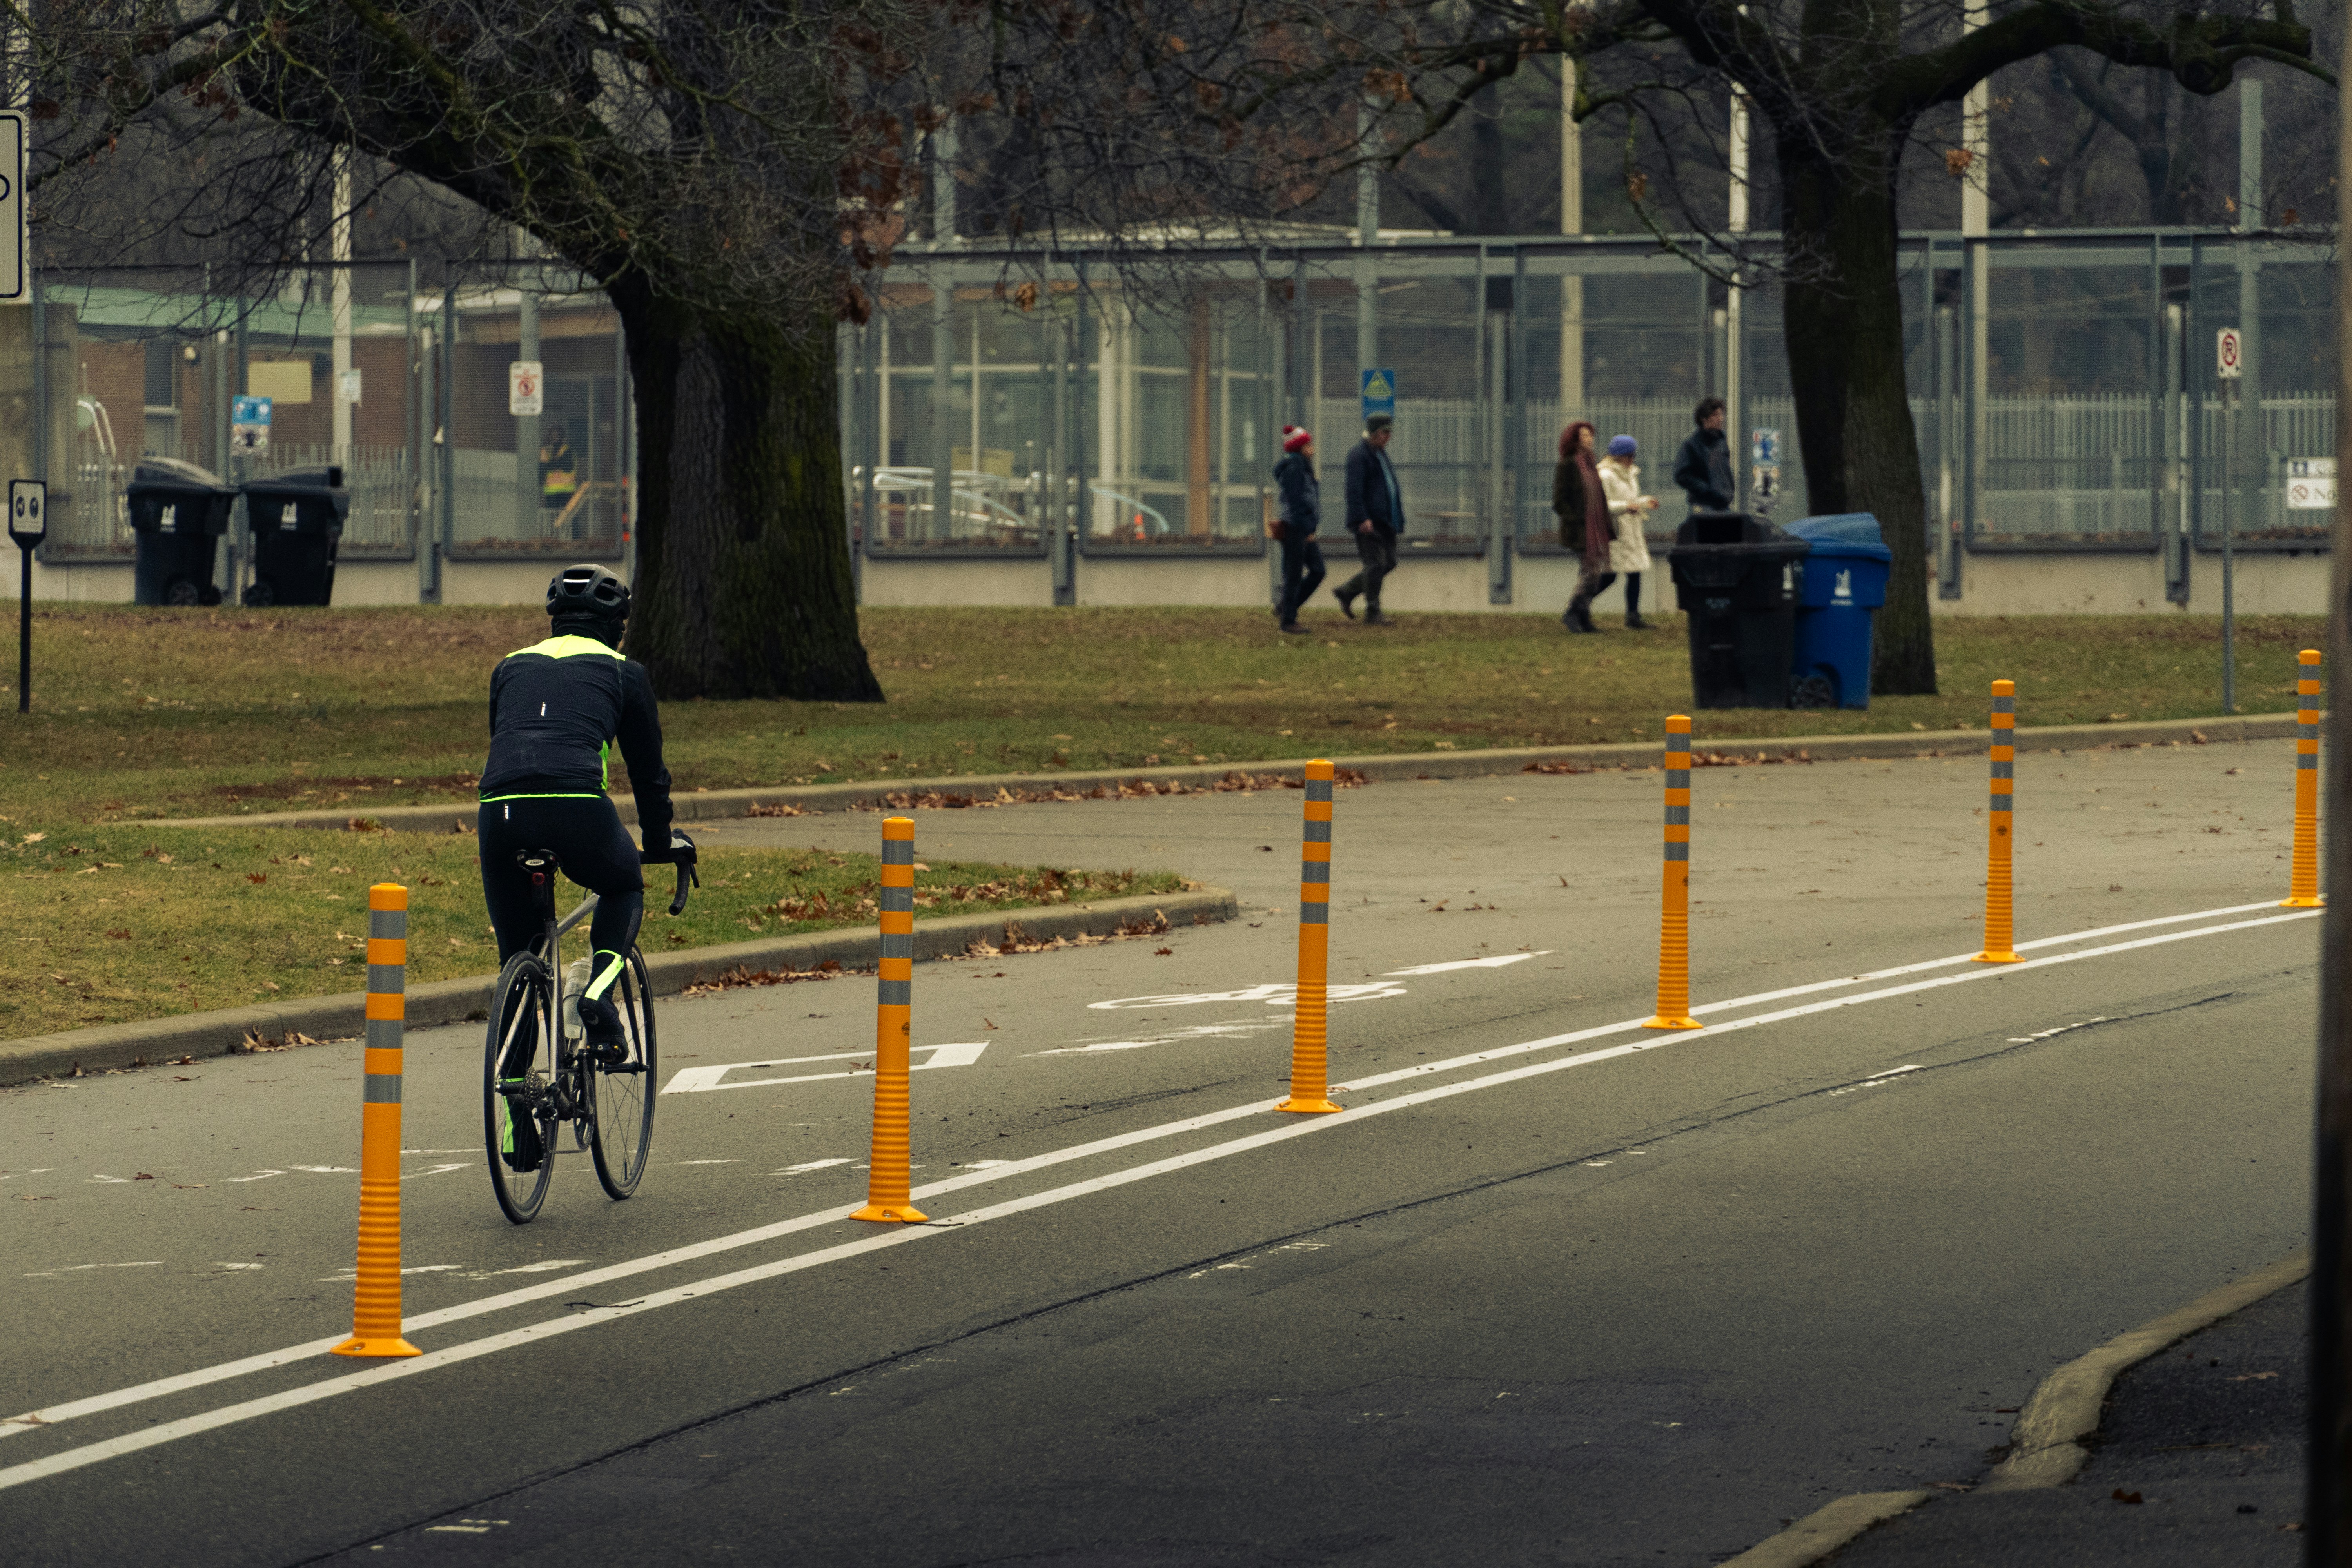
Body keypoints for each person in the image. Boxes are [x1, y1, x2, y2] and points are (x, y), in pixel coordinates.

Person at [477, 564, 674, 1171]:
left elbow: (509, 741)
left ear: (553, 619)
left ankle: (515, 1122)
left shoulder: (509, 666)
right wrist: (661, 841)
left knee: (520, 957)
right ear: (619, 626)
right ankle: (595, 992)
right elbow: (647, 773)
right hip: (577, 806)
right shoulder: (626, 673)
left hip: (499, 809)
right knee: (622, 886)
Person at [1334, 413, 1403, 625]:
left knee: (1389, 562)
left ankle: (1347, 591)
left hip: (1385, 520)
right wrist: (1362, 518)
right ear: (1374, 433)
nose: (1389, 436)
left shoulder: (1380, 454)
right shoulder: (1359, 456)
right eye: (1385, 432)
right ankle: (1373, 612)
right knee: (1374, 564)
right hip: (1368, 522)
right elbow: (1353, 491)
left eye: (1390, 432)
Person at [1554, 420, 1613, 635]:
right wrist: (1578, 520)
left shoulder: (1591, 464)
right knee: (1591, 574)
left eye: (1591, 435)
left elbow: (1600, 499)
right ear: (1575, 440)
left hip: (1597, 529)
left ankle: (1582, 616)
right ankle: (1573, 612)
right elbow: (1560, 501)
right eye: (1585, 436)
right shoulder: (1568, 465)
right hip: (1580, 531)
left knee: (1596, 574)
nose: (1591, 439)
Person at [1598, 434, 1660, 629]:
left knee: (1635, 572)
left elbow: (1629, 499)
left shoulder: (1630, 473)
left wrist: (1644, 502)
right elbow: (1602, 505)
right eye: (1629, 456)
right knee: (1610, 575)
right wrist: (1626, 506)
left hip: (1631, 529)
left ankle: (1633, 616)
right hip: (1616, 531)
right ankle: (1579, 605)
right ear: (1618, 457)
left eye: (1634, 456)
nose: (1632, 460)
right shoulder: (1606, 475)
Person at [1270, 426, 1325, 634]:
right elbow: (1296, 502)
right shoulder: (1295, 469)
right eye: (1309, 445)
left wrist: (1309, 528)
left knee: (1318, 570)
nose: (1313, 449)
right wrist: (1304, 528)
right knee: (1294, 574)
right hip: (1296, 528)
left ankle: (1286, 607)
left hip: (1303, 528)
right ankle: (1288, 621)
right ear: (1300, 448)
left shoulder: (1303, 468)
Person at [1673, 397, 1736, 515]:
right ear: (1703, 419)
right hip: (1703, 507)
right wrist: (1707, 491)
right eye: (1715, 415)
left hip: (1723, 505)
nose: (1721, 419)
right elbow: (1682, 475)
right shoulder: (1692, 444)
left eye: (1721, 415)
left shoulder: (1721, 441)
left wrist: (1728, 491)